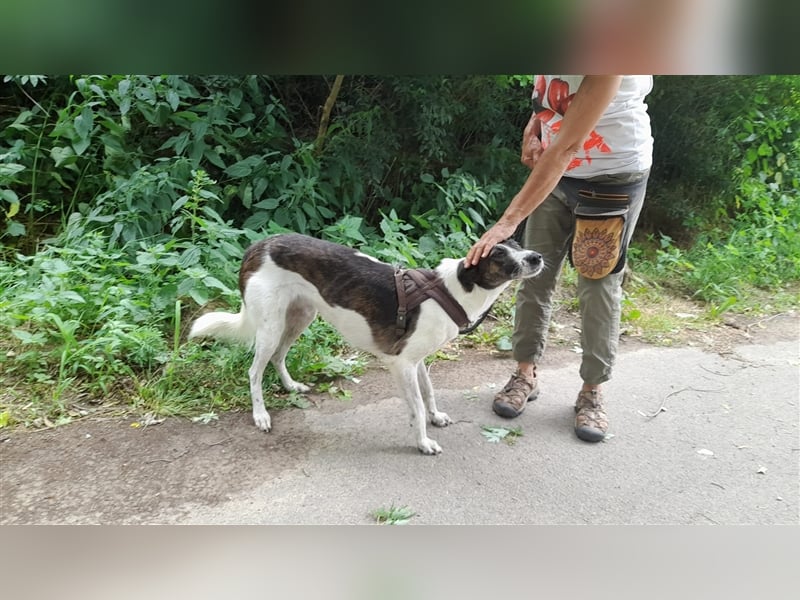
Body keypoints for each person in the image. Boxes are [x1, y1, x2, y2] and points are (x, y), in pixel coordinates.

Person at [465, 75, 653, 442]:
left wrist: (507, 222)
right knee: (531, 275)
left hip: (611, 178)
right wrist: (533, 127)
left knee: (597, 286)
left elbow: (567, 145)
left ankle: (592, 390)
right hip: (555, 175)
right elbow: (550, 97)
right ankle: (525, 372)